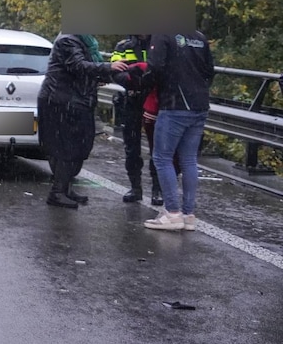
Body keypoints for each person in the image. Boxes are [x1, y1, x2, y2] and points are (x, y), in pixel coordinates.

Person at [38, 33, 129, 208]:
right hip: (62, 100)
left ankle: (65, 189)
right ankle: (57, 192)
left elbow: (85, 68)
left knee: (80, 146)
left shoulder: (85, 41)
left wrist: (101, 74)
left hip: (76, 99)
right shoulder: (68, 40)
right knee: (66, 147)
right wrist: (108, 68)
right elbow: (78, 66)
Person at [143, 29, 214, 231]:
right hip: (199, 104)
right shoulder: (199, 36)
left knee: (162, 157)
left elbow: (155, 67)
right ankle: (188, 214)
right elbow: (210, 70)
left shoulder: (162, 33)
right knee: (189, 159)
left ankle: (172, 213)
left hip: (174, 104)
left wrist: (143, 85)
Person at [110, 35, 162, 205]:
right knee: (132, 146)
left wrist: (150, 82)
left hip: (155, 101)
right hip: (132, 99)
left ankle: (157, 189)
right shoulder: (123, 46)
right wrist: (132, 80)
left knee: (158, 147)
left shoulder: (160, 42)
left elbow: (168, 69)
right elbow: (115, 71)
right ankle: (135, 187)